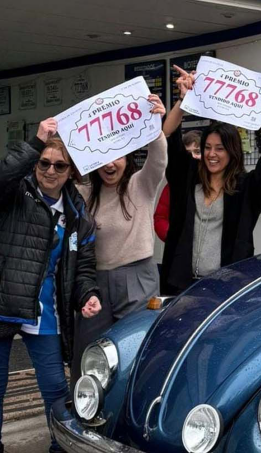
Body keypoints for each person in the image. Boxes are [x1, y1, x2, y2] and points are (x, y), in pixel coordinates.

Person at [0, 119, 101, 453]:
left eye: (59, 165)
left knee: (56, 389)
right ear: (35, 163)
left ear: (71, 171)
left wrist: (86, 293)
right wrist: (35, 141)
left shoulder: (77, 212)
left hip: (44, 311)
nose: (50, 171)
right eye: (44, 163)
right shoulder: (14, 192)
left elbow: (83, 266)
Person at [71, 94, 168, 384]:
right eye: (104, 156)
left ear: (127, 158)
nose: (111, 164)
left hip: (138, 277)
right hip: (96, 280)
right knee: (87, 349)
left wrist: (155, 123)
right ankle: (84, 403)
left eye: (118, 155)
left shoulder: (141, 184)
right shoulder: (85, 193)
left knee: (136, 348)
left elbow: (159, 158)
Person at [160, 66, 261, 293]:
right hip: (181, 283)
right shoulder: (188, 177)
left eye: (219, 148)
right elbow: (167, 137)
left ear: (232, 151)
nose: (211, 154)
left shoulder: (243, 187)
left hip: (226, 286)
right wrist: (182, 101)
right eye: (207, 148)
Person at [154, 130, 201, 242]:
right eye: (188, 153)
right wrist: (174, 237)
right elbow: (160, 218)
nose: (193, 157)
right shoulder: (171, 187)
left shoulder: (215, 182)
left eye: (197, 152)